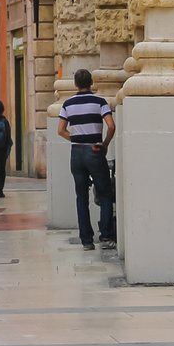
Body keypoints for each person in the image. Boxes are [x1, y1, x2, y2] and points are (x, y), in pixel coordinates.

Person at [58, 69, 116, 251]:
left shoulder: (67, 104)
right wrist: (105, 144)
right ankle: (106, 237)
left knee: (81, 196)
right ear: (91, 83)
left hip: (76, 153)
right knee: (105, 193)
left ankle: (87, 241)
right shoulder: (99, 102)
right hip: (95, 150)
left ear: (75, 84)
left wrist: (75, 139)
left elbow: (60, 130)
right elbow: (111, 126)